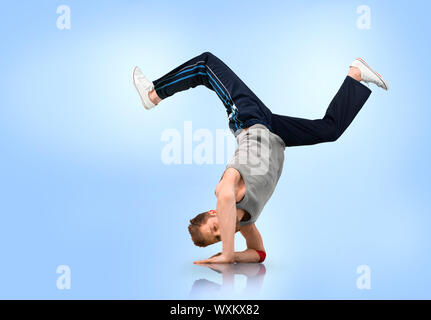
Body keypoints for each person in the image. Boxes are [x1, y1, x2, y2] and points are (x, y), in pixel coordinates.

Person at [132, 52, 388, 264]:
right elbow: (259, 254)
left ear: (214, 212)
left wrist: (229, 252)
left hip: (249, 122)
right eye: (219, 238)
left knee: (205, 65)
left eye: (214, 227)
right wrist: (229, 258)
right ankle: (355, 75)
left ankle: (153, 95)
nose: (223, 231)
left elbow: (224, 198)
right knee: (329, 130)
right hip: (276, 132)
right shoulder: (248, 222)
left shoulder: (228, 190)